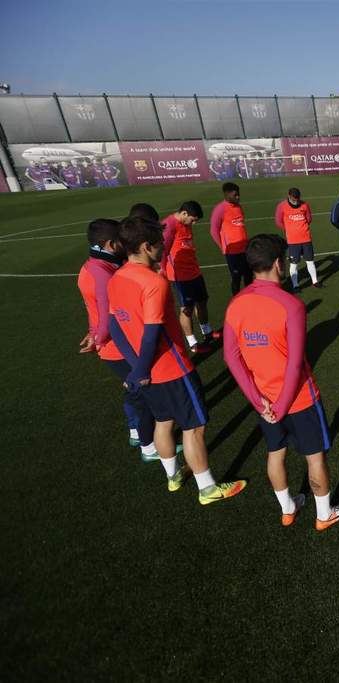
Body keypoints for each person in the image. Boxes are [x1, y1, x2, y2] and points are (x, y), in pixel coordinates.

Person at [107, 216, 246, 504]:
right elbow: (151, 333)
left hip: (146, 372)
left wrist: (136, 368)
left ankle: (173, 476)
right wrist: (142, 369)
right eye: (160, 244)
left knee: (163, 421)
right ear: (146, 247)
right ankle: (207, 489)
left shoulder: (117, 278)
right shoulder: (153, 282)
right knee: (194, 427)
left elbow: (115, 327)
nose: (163, 248)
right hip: (172, 369)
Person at [223, 234, 339, 530]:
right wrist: (281, 405)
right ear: (278, 264)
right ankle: (323, 515)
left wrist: (259, 401)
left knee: (275, 453)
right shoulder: (291, 305)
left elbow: (231, 357)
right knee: (314, 457)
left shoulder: (236, 304)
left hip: (264, 401)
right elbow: (294, 363)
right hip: (299, 399)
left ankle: (288, 509)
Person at [77, 218, 160, 460]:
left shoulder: (94, 266)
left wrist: (93, 333)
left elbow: (93, 309)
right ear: (111, 244)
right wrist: (98, 337)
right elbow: (107, 314)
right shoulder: (102, 273)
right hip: (116, 347)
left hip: (111, 344)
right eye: (121, 242)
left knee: (132, 389)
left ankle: (135, 431)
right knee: (142, 393)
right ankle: (148, 447)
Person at [161, 201, 216, 355]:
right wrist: (163, 273)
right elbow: (162, 252)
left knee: (202, 301)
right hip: (180, 276)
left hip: (194, 271)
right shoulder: (169, 226)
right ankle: (193, 343)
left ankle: (207, 332)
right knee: (187, 309)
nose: (194, 223)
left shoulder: (185, 222)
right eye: (193, 220)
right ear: (184, 213)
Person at [274, 187, 322, 291]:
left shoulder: (305, 205)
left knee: (310, 261)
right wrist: (289, 229)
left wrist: (302, 228)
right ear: (289, 196)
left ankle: (315, 281)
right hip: (293, 241)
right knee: (294, 263)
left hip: (306, 239)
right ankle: (295, 285)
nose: (296, 201)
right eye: (294, 199)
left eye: (297, 199)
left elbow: (309, 218)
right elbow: (278, 221)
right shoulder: (281, 206)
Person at [210, 182, 252, 295]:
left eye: (238, 194)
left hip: (245, 249)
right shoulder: (220, 209)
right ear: (227, 194)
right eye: (235, 195)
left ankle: (250, 298)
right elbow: (213, 231)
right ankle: (236, 300)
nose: (238, 197)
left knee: (248, 275)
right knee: (236, 277)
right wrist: (223, 247)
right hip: (232, 252)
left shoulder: (238, 206)